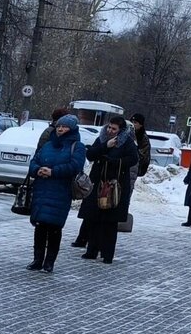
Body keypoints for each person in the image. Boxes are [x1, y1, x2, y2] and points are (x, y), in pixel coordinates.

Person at [26, 114, 86, 273]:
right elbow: (34, 162)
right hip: (42, 190)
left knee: (54, 227)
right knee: (39, 227)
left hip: (60, 191)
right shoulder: (47, 145)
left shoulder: (77, 146)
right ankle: (37, 260)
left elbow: (75, 166)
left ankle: (49, 262)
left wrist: (53, 172)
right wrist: (38, 170)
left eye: (64, 126)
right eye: (59, 126)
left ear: (72, 129)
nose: (60, 129)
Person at [77, 115, 138, 263]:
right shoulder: (102, 138)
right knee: (94, 219)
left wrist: (116, 162)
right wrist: (105, 146)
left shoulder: (127, 142)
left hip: (115, 184)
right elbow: (90, 154)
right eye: (109, 127)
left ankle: (107, 253)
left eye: (114, 129)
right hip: (97, 182)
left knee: (110, 222)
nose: (110, 130)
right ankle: (91, 250)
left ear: (120, 130)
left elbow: (133, 159)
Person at [130, 113, 152, 189]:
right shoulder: (127, 133)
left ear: (141, 125)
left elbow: (143, 156)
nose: (133, 124)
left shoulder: (143, 138)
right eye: (131, 122)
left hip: (133, 168)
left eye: (135, 123)